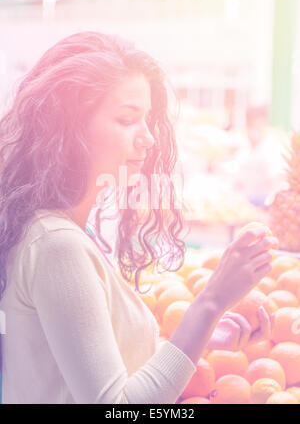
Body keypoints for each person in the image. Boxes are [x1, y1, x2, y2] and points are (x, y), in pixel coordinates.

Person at [0, 32, 277, 404]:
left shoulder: (65, 231)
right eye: (127, 119)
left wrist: (207, 334)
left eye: (147, 119)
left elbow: (97, 363)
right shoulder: (57, 245)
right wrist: (211, 300)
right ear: (68, 128)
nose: (147, 137)